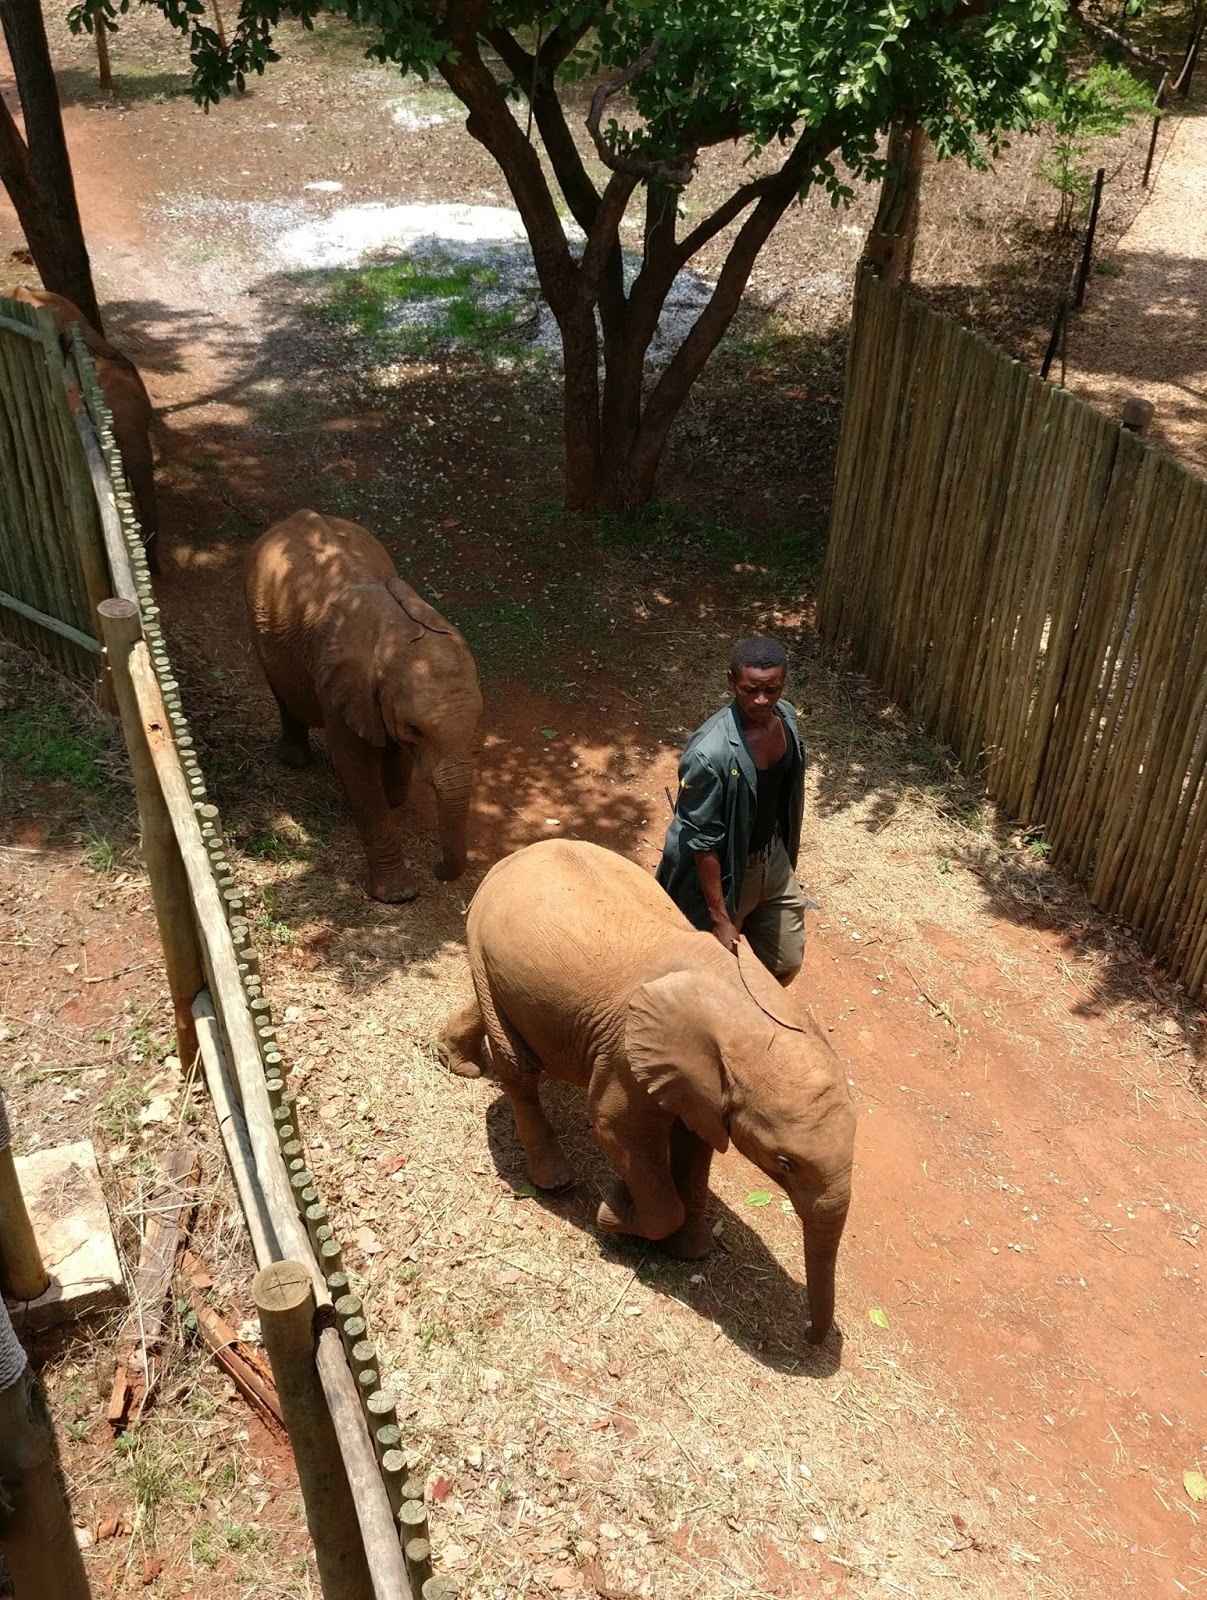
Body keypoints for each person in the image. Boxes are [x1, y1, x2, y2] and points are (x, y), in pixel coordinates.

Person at [656, 636, 807, 986]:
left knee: (785, 959)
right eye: (750, 689)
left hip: (773, 858)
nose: (762, 700)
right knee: (709, 975)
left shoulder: (786, 718)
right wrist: (719, 916)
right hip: (727, 871)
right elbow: (703, 840)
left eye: (773, 689)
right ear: (731, 682)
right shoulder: (710, 754)